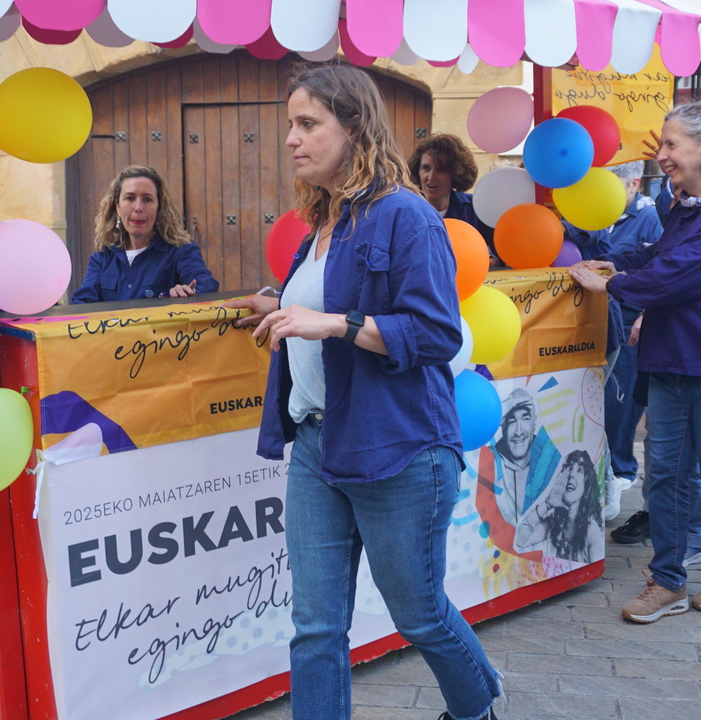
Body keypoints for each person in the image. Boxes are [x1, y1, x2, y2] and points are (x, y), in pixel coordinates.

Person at [224, 63, 501, 720]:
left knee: (419, 613)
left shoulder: (407, 215)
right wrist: (278, 306)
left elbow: (437, 333)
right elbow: (328, 301)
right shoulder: (323, 221)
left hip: (398, 448)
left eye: (308, 123)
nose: (291, 138)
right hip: (317, 445)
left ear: (353, 128)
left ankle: (476, 707)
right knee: (315, 628)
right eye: (290, 124)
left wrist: (332, 324)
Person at [570, 100, 701, 624]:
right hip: (674, 358)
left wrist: (614, 284)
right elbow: (660, 256)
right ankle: (667, 580)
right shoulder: (689, 203)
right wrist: (616, 262)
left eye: (670, 144)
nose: (660, 154)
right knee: (664, 476)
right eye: (662, 144)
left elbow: (679, 275)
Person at [597, 162, 663, 523]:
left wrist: (646, 313)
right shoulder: (600, 214)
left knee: (621, 400)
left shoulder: (650, 218)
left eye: (611, 186)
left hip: (630, 322)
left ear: (634, 184)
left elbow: (657, 271)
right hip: (601, 320)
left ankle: (621, 470)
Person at [71, 165, 219, 303]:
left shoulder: (181, 251)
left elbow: (206, 286)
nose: (138, 208)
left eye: (147, 199)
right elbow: (82, 304)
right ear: (118, 207)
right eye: (130, 198)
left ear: (159, 208)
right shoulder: (103, 258)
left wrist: (188, 292)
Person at [406, 133, 497, 261]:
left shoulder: (476, 208)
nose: (431, 177)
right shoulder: (406, 212)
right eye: (426, 168)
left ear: (455, 174)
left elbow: (501, 253)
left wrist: (491, 260)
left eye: (441, 170)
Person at [512, 449, 605, 565]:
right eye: (569, 469)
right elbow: (521, 540)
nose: (571, 475)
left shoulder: (591, 531)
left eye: (579, 471)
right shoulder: (555, 522)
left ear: (587, 485)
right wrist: (547, 503)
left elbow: (597, 568)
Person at [491, 387, 560, 526]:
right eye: (511, 421)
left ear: (534, 422)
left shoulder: (554, 459)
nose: (518, 431)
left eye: (525, 419)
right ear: (502, 426)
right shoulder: (489, 462)